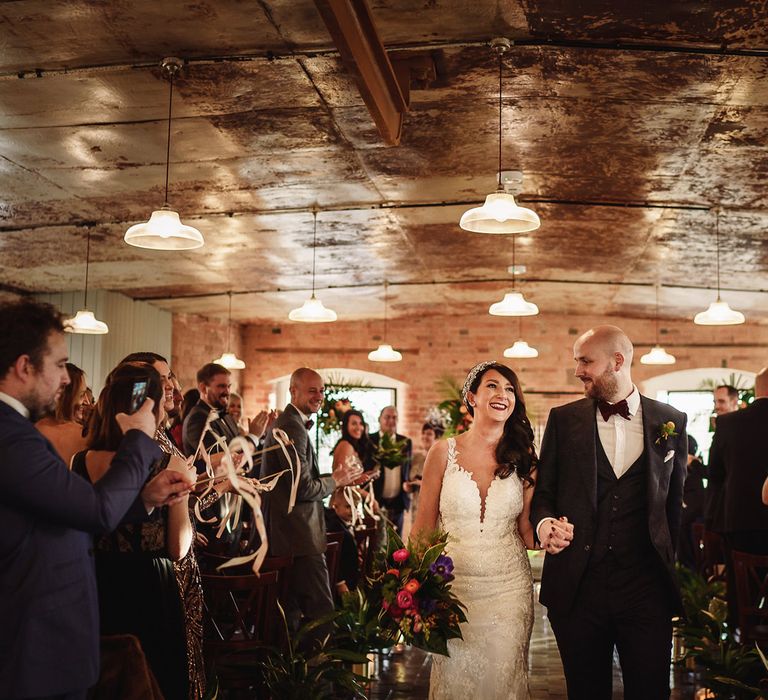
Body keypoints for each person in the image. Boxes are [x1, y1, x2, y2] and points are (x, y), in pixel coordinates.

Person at [0, 299, 194, 700]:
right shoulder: (11, 438)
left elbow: (70, 514)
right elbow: (95, 511)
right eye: (59, 365)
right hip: (34, 644)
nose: (67, 379)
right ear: (24, 367)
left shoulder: (17, 432)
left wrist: (143, 500)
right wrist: (139, 438)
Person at [531, 325, 687, 700]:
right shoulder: (563, 420)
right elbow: (544, 494)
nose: (578, 370)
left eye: (586, 361)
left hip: (645, 591)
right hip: (578, 590)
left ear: (617, 361)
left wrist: (669, 565)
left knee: (650, 691)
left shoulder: (672, 421)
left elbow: (672, 507)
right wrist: (544, 525)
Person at [412, 361, 538, 699]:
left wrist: (550, 533)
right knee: (456, 683)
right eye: (493, 386)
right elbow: (422, 528)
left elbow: (527, 531)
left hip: (508, 590)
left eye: (510, 389)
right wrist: (411, 586)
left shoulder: (524, 457)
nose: (503, 395)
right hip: (452, 591)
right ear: (472, 396)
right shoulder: (442, 453)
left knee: (502, 681)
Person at [73, 362, 195, 700]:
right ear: (151, 408)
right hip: (148, 583)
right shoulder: (168, 462)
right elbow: (177, 546)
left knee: (105, 679)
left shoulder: (80, 461)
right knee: (150, 679)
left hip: (97, 580)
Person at [260, 368, 364, 635]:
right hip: (299, 536)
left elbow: (298, 481)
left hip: (290, 534)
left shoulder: (292, 423)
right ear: (293, 391)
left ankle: (294, 673)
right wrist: (336, 481)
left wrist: (336, 477)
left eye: (321, 390)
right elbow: (303, 488)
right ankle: (323, 674)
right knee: (322, 613)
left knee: (290, 613)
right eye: (312, 390)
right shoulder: (291, 426)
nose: (319, 396)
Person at [35, 361, 90, 466]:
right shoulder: (85, 436)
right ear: (68, 397)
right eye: (82, 394)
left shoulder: (33, 429)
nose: (87, 401)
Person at [370, 405, 412, 534]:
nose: (391, 421)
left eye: (394, 417)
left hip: (398, 502)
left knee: (397, 545)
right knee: (376, 543)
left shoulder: (405, 442)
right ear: (379, 419)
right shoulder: (370, 440)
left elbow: (407, 469)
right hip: (376, 501)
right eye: (387, 417)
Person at [403, 422, 443, 539]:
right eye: (424, 433)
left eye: (429, 434)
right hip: (417, 505)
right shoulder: (416, 458)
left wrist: (422, 484)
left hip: (434, 506)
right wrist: (408, 486)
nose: (425, 436)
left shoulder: (440, 458)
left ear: (435, 437)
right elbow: (410, 480)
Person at [678, 435, 707, 569]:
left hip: (694, 512)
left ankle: (689, 569)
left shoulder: (692, 467)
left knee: (681, 524)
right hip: (692, 510)